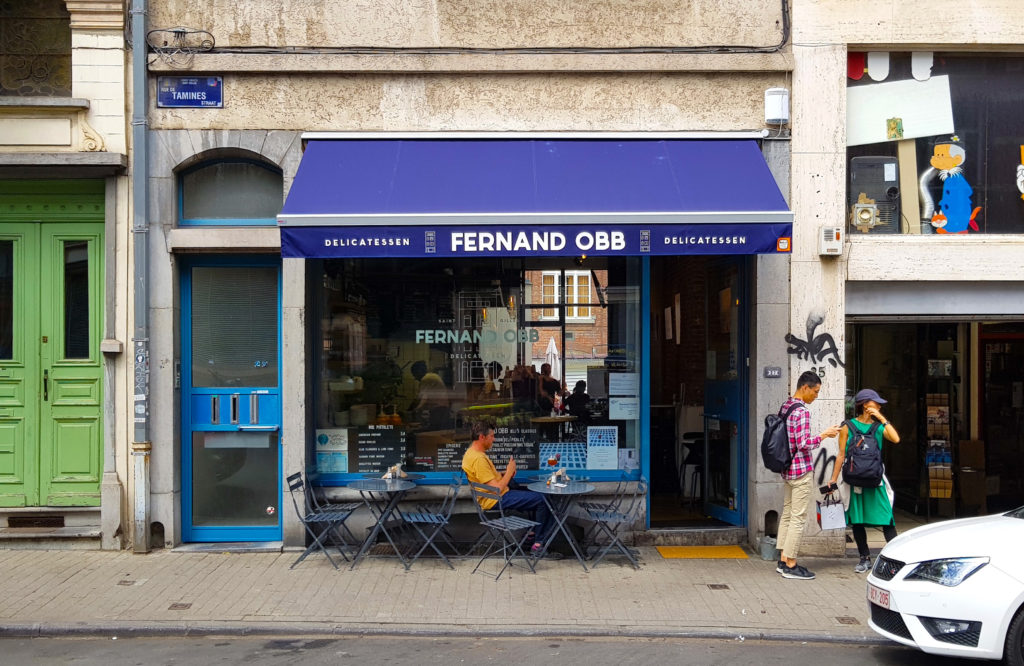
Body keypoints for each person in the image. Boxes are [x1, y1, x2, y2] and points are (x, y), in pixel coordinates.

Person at [461, 416, 560, 559]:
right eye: (492, 436)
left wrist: (503, 474)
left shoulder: (471, 453)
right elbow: (497, 488)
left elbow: (486, 478)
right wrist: (508, 472)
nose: (494, 439)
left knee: (537, 492)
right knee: (542, 499)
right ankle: (539, 544)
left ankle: (531, 536)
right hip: (496, 499)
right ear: (482, 437)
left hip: (495, 495)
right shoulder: (478, 459)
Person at [825, 388, 900, 573]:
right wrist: (833, 480)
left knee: (887, 519)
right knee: (857, 520)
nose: (879, 405)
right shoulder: (847, 427)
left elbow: (896, 439)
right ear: (865, 405)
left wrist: (882, 418)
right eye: (875, 403)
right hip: (854, 479)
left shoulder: (878, 427)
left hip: (875, 479)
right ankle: (864, 557)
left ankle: (898, 558)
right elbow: (841, 455)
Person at [775, 371, 841, 580]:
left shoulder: (786, 406)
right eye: (815, 391)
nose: (816, 396)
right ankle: (791, 564)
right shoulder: (802, 411)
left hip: (787, 469)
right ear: (805, 387)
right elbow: (803, 444)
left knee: (787, 513)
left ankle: (783, 558)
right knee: (798, 517)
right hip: (801, 470)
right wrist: (824, 435)